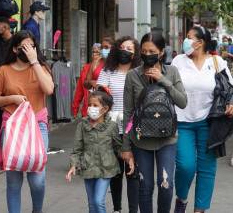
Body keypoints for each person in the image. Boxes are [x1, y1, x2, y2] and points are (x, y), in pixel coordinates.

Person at [171, 26, 233, 213]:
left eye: (189, 37)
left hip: (209, 123)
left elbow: (232, 90)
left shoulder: (217, 62)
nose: (185, 40)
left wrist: (231, 104)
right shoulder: (178, 61)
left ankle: (200, 209)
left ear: (200, 42)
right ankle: (181, 198)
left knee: (207, 169)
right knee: (185, 166)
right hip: (182, 122)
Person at [0, 30, 54, 213]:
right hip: (13, 126)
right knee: (14, 181)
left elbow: (48, 89)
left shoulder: (40, 67)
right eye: (25, 47)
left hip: (37, 125)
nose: (30, 50)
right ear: (16, 49)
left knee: (37, 179)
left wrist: (34, 62)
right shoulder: (3, 71)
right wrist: (12, 99)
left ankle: (36, 210)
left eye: (32, 46)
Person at [121, 32, 187, 213]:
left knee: (166, 184)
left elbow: (182, 101)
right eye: (143, 51)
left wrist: (163, 80)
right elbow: (127, 112)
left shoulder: (171, 71)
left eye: (152, 51)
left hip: (167, 139)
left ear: (160, 53)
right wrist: (125, 147)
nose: (147, 54)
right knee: (145, 186)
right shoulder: (133, 75)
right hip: (140, 140)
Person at [96, 36, 141, 213]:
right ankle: (116, 209)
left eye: (130, 48)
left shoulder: (139, 72)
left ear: (135, 53)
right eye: (122, 47)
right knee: (115, 172)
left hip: (133, 128)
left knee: (133, 172)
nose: (125, 51)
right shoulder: (108, 71)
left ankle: (132, 209)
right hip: (112, 128)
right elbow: (98, 96)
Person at [66, 89, 122, 213]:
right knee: (92, 204)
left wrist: (130, 157)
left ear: (105, 109)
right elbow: (77, 149)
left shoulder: (112, 126)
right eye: (89, 105)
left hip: (106, 169)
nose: (91, 108)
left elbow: (119, 147)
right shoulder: (82, 125)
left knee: (98, 201)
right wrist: (73, 165)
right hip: (88, 167)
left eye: (95, 105)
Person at [72, 43, 102, 118]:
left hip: (102, 110)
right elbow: (79, 90)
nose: (95, 54)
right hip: (87, 111)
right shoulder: (86, 68)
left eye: (98, 52)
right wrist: (75, 108)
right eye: (93, 52)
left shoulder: (106, 68)